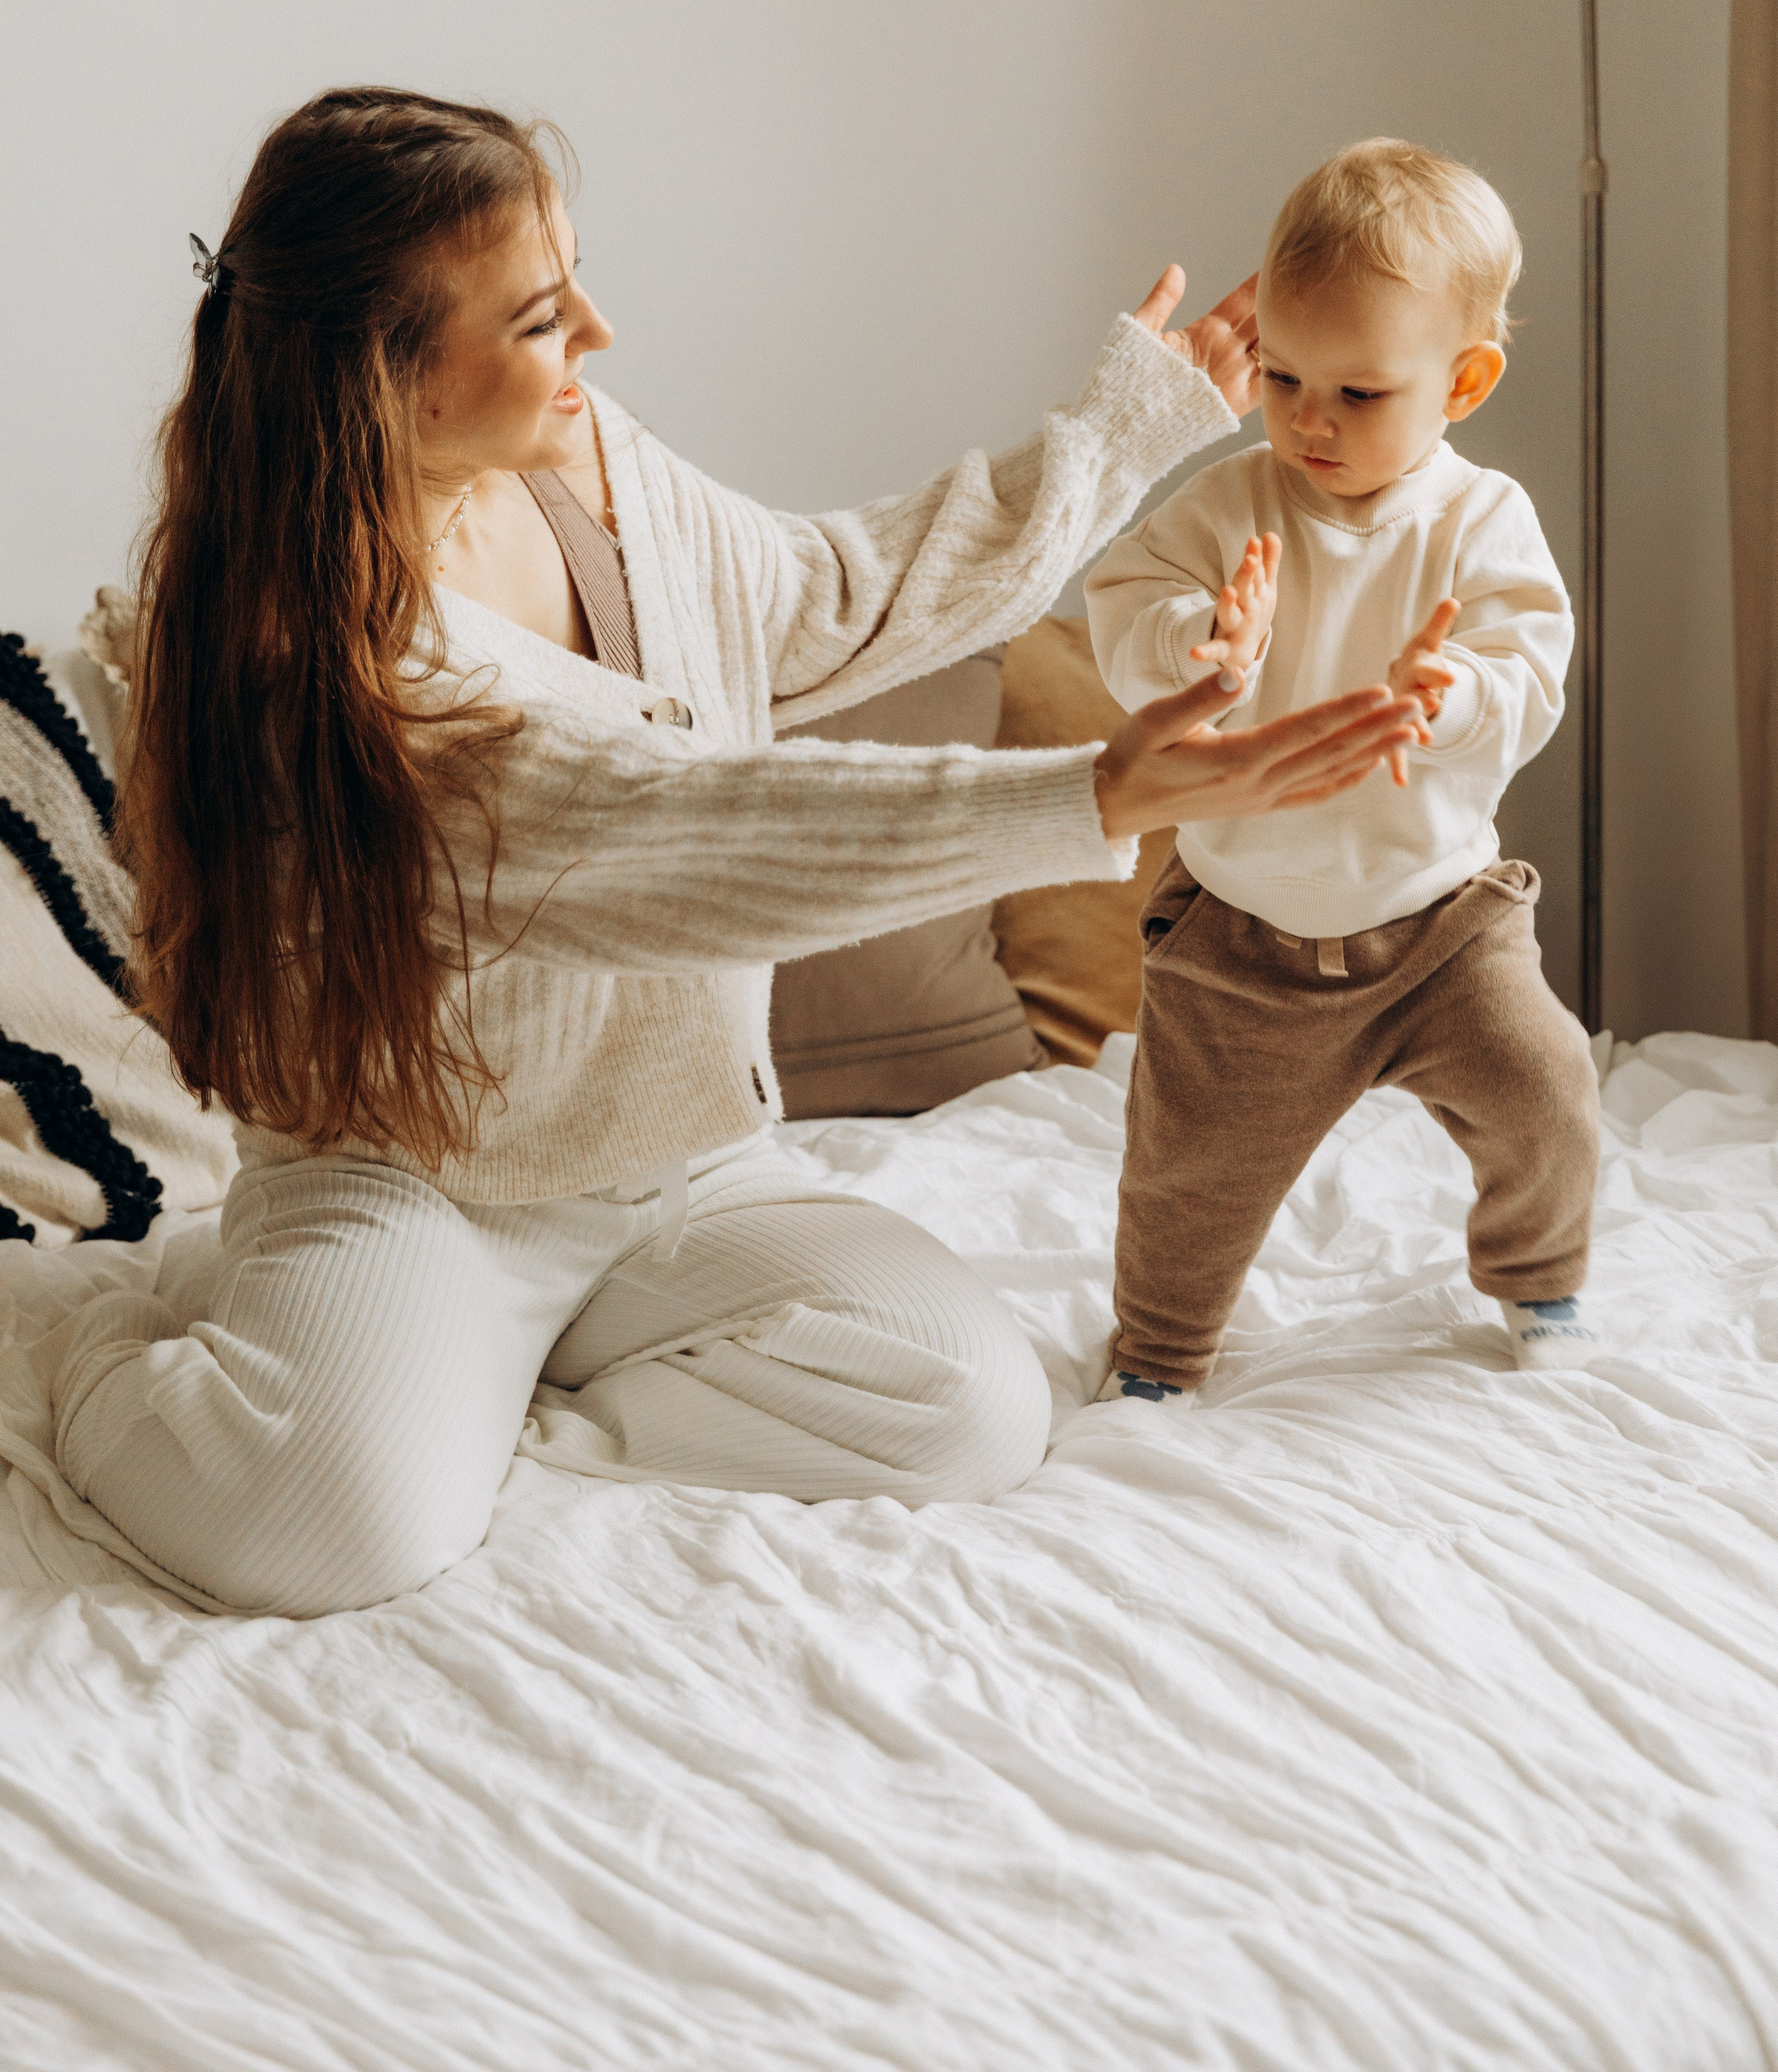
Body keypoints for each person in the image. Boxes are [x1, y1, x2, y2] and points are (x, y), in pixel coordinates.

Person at [51, 88, 1420, 1616]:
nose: (599, 333)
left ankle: (498, 1420)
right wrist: (1081, 798)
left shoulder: (586, 458)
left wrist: (1122, 436)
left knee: (971, 1408)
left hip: (685, 1169)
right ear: (393, 380)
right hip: (420, 1189)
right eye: (541, 318)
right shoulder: (317, 668)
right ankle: (164, 1341)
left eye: (572, 284)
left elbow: (825, 595)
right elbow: (674, 831)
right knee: (316, 1527)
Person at [1086, 137, 1601, 1399]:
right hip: (1243, 936)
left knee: (1548, 1091)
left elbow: (1530, 669)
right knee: (1188, 1171)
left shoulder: (1485, 520)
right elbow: (1122, 602)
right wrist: (1199, 639)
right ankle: (1157, 1357)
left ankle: (1540, 1280)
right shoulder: (1229, 507)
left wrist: (1455, 692)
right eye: (1281, 377)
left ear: (1463, 382)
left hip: (1441, 926)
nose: (1308, 419)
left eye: (1359, 394)